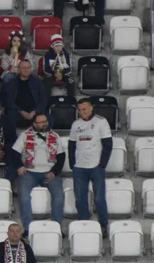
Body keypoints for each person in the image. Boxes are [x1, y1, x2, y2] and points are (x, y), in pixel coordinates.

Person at [11, 113, 65, 228]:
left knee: (59, 196)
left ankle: (56, 226)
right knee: (24, 197)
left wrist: (54, 172)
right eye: (40, 122)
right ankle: (28, 227)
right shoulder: (25, 135)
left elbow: (61, 157)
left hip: (50, 171)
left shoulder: (55, 135)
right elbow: (14, 153)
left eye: (45, 121)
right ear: (34, 124)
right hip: (30, 172)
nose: (44, 124)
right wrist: (20, 166)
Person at [68, 97, 112, 229]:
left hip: (96, 166)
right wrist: (72, 163)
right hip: (79, 167)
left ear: (91, 108)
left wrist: (102, 164)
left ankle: (103, 225)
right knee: (80, 199)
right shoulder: (75, 124)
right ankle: (84, 224)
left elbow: (108, 144)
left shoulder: (101, 122)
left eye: (85, 109)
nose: (82, 112)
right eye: (80, 110)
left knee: (99, 199)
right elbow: (71, 145)